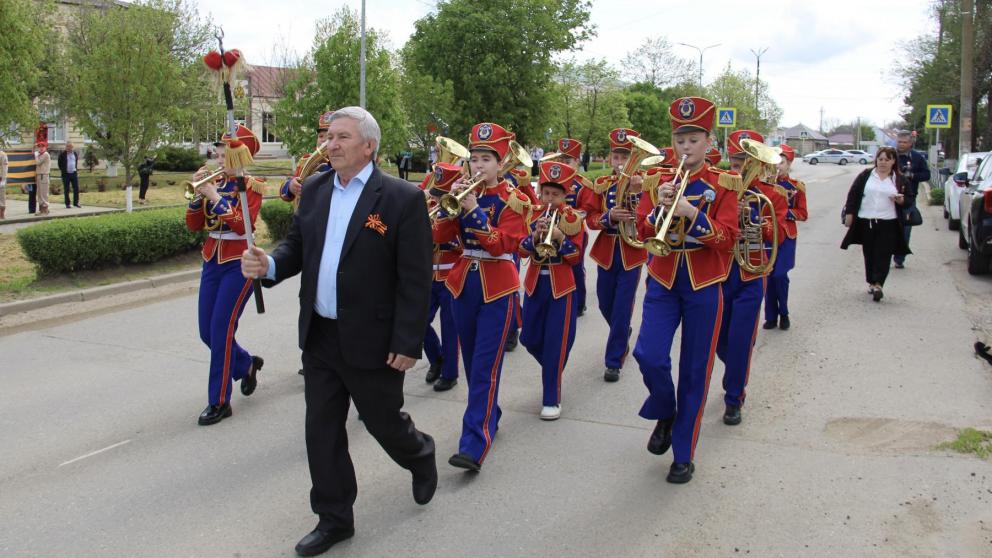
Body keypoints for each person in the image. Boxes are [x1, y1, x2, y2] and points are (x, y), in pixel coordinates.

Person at [241, 106, 437, 557]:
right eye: (330, 136)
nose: (331, 144)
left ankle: (420, 454)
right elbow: (297, 247)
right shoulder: (315, 189)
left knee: (386, 425)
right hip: (322, 337)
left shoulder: (401, 199)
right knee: (322, 431)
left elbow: (415, 279)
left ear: (369, 146)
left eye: (342, 137)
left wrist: (408, 342)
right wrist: (268, 264)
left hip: (374, 339)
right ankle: (334, 518)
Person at [632, 96, 740, 484]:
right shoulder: (656, 181)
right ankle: (665, 408)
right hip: (663, 277)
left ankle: (683, 453)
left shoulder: (724, 184)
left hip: (704, 283)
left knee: (695, 369)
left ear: (709, 142)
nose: (686, 147)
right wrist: (657, 210)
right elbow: (643, 234)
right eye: (680, 140)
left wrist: (693, 215)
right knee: (648, 354)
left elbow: (729, 239)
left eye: (694, 140)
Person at [432, 121, 530, 472]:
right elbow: (441, 236)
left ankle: (473, 443)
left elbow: (504, 243)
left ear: (501, 162)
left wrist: (473, 210)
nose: (478, 165)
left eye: (486, 158)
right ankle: (491, 413)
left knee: (485, 367)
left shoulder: (513, 200)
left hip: (498, 287)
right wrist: (449, 207)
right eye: (475, 158)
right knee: (473, 364)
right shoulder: (461, 191)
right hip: (462, 283)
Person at [185, 125, 265, 426]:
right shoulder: (214, 182)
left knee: (221, 330)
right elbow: (194, 225)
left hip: (239, 262)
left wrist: (214, 196)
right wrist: (196, 197)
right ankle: (245, 363)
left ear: (237, 155)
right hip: (212, 259)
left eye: (222, 155)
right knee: (207, 332)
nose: (218, 161)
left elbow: (243, 225)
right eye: (216, 155)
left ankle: (219, 401)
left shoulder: (252, 186)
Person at [717, 130, 788, 427]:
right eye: (735, 161)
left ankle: (734, 397)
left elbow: (781, 234)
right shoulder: (718, 187)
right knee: (720, 339)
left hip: (751, 270)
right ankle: (733, 368)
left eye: (746, 161)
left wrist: (755, 218)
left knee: (741, 338)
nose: (740, 168)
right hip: (719, 271)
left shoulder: (772, 195)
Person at [578, 128, 646, 383]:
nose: (620, 163)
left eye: (625, 157)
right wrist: (609, 217)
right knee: (606, 304)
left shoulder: (645, 183)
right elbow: (591, 219)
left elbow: (652, 218)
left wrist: (637, 198)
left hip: (632, 252)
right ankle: (622, 332)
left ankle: (613, 361)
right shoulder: (601, 185)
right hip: (607, 250)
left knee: (621, 309)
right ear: (609, 158)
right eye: (616, 157)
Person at [519, 161, 585, 420]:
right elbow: (522, 250)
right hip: (536, 283)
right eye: (545, 193)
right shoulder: (533, 215)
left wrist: (559, 238)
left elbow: (576, 257)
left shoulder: (572, 219)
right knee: (530, 339)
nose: (549, 199)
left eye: (555, 195)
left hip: (562, 286)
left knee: (556, 344)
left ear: (565, 195)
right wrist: (535, 237)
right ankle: (552, 370)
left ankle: (551, 398)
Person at [841, 146, 909, 302]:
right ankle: (871, 281)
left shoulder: (899, 179)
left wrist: (902, 200)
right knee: (869, 252)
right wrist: (850, 213)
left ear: (893, 161)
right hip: (866, 221)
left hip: (888, 222)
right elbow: (853, 194)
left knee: (884, 254)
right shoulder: (866, 175)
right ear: (876, 160)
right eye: (880, 159)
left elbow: (909, 198)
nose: (883, 162)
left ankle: (879, 284)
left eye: (887, 159)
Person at [423, 162, 463, 392]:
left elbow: (463, 243)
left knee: (450, 327)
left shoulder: (457, 210)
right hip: (428, 276)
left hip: (450, 275)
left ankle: (450, 373)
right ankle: (436, 358)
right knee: (418, 323)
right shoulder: (427, 205)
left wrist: (442, 230)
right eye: (436, 195)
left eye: (442, 196)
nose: (437, 201)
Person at [764, 144, 808, 330]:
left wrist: (782, 212)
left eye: (781, 162)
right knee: (768, 276)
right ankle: (771, 316)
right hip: (766, 234)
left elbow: (803, 213)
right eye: (774, 162)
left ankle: (784, 312)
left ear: (789, 164)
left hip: (786, 236)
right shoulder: (764, 185)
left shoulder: (796, 187)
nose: (778, 166)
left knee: (780, 275)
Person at [551, 138, 593, 316]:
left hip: (575, 231)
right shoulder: (552, 181)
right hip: (552, 230)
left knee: (576, 266)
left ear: (577, 162)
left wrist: (569, 215)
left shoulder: (583, 185)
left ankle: (579, 303)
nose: (563, 165)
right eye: (560, 161)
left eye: (567, 161)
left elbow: (587, 210)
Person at [281, 111, 334, 209]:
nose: (323, 140)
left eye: (329, 137)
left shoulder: (344, 163)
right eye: (321, 136)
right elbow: (287, 189)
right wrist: (291, 186)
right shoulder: (306, 160)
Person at [892, 131, 929, 268]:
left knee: (905, 229)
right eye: (899, 142)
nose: (901, 145)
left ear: (910, 143)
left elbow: (926, 175)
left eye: (904, 142)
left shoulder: (917, 157)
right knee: (887, 228)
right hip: (889, 198)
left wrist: (912, 175)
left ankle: (899, 258)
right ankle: (885, 252)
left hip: (908, 198)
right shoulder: (890, 155)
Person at [58, 142, 81, 209]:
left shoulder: (75, 154)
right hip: (66, 174)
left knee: (76, 188)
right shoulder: (62, 154)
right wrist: (63, 170)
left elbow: (75, 162)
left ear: (72, 148)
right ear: (66, 147)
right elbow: (59, 164)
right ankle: (67, 203)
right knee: (66, 189)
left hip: (73, 173)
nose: (69, 148)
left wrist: (75, 170)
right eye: (68, 147)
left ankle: (76, 203)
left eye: (70, 147)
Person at [34, 142, 51, 216]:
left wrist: (36, 156)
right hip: (39, 175)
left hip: (43, 175)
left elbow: (38, 162)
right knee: (40, 193)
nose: (40, 148)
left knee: (44, 193)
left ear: (45, 147)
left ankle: (45, 210)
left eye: (42, 146)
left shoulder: (45, 154)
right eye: (39, 146)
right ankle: (41, 210)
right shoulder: (40, 154)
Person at [0, 149, 7, 220]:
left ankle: (1, 214)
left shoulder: (2, 154)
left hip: (0, 178)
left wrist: (3, 179)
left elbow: (4, 167)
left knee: (1, 196)